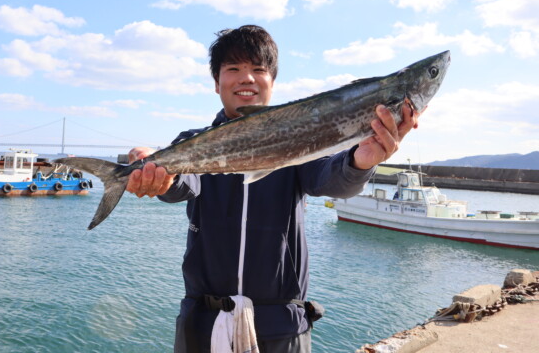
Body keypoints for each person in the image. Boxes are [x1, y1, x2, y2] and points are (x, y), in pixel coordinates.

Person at [126, 25, 420, 353]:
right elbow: (181, 184)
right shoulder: (191, 143)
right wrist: (157, 175)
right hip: (203, 324)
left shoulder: (301, 141)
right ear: (216, 82)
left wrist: (360, 161)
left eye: (258, 70)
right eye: (233, 69)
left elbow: (331, 178)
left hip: (280, 327)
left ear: (272, 81)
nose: (246, 78)